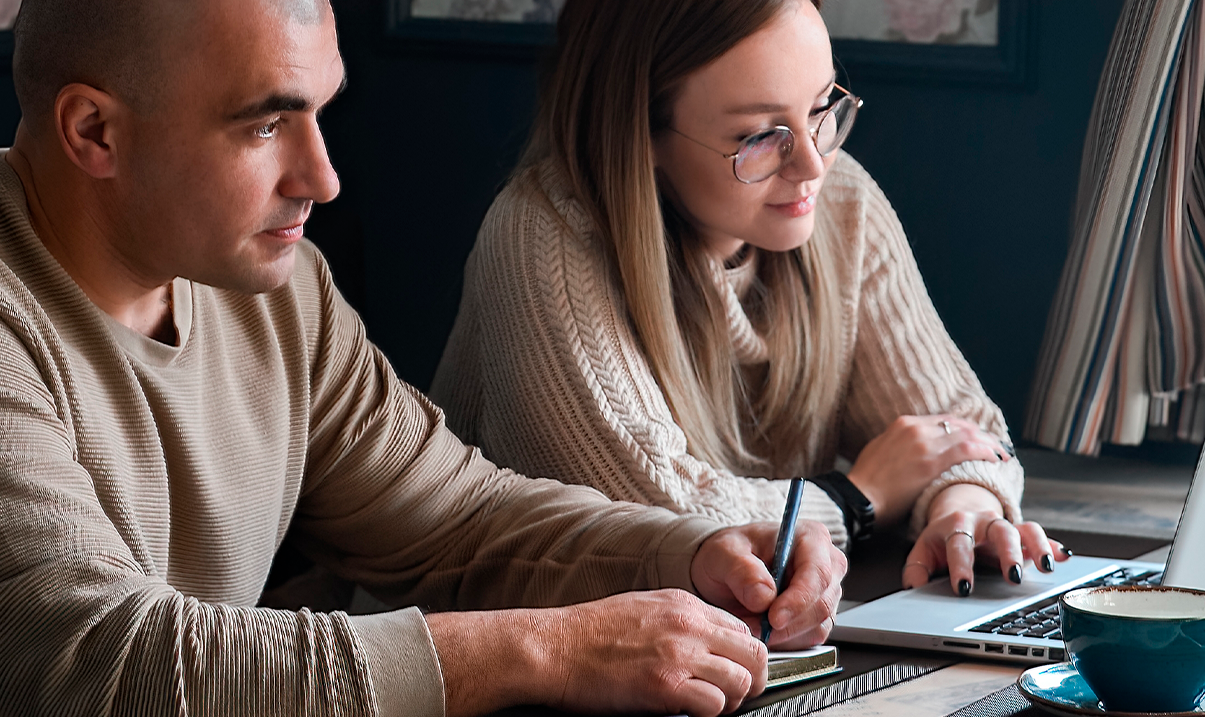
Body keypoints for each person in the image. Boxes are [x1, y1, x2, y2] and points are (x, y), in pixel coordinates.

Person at [0, 1, 847, 717]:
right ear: (94, 132)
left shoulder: (279, 292)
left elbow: (458, 521)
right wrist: (543, 649)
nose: (322, 178)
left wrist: (693, 551)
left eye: (321, 112)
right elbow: (102, 671)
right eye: (263, 127)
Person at [431, 0, 1069, 596]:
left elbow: (963, 430)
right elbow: (657, 523)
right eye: (762, 136)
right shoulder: (542, 236)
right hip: (493, 655)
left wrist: (965, 506)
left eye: (822, 108)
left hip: (720, 638)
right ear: (640, 132)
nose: (814, 164)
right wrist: (858, 498)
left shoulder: (839, 203)